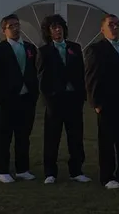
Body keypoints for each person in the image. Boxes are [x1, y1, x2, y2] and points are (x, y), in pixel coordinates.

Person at [84, 14, 119, 189]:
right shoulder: (96, 49)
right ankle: (107, 176)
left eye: (117, 24)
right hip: (108, 102)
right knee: (107, 141)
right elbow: (92, 77)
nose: (115, 27)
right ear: (102, 29)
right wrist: (96, 102)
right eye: (111, 25)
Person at [36, 14, 90, 185]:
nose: (57, 30)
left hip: (74, 99)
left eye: (60, 27)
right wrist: (48, 98)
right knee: (52, 137)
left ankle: (76, 170)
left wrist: (82, 95)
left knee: (76, 136)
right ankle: (50, 172)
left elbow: (81, 72)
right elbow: (42, 77)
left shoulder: (75, 47)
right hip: (55, 100)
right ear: (48, 31)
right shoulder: (44, 51)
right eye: (54, 27)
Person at [0, 14, 39, 183]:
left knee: (23, 136)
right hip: (6, 99)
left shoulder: (30, 48)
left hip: (26, 98)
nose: (16, 28)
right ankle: (2, 170)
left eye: (17, 25)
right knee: (4, 136)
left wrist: (34, 94)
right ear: (4, 30)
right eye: (11, 26)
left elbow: (34, 71)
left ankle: (22, 169)